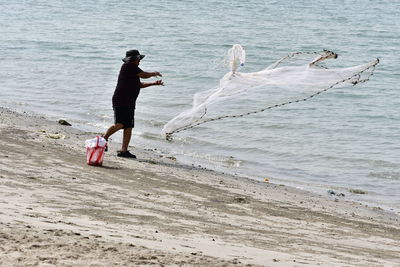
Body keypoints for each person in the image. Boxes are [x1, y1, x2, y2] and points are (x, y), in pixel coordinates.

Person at [103, 49, 163, 158]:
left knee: (129, 126)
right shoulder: (128, 66)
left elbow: (140, 84)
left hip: (129, 102)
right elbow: (144, 75)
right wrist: (154, 73)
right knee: (120, 124)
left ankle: (123, 150)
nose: (139, 61)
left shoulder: (132, 70)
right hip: (121, 100)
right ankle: (103, 139)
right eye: (138, 59)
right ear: (134, 59)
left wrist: (154, 83)